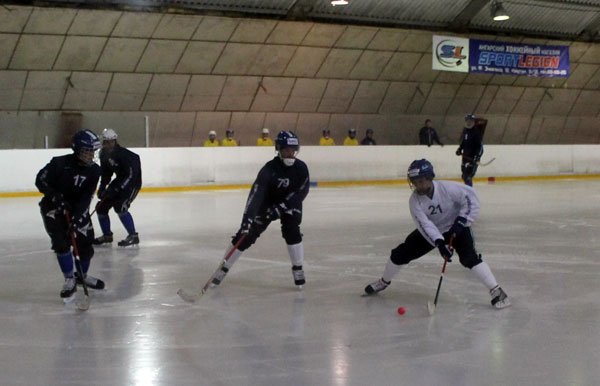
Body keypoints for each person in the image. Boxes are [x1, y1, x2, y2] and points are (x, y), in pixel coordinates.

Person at [363, 159, 510, 309]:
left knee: (469, 258)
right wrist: (439, 243)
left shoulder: (448, 188)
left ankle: (497, 291)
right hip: (434, 229)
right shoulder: (414, 201)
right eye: (415, 182)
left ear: (429, 178)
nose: (418, 186)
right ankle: (383, 282)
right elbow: (425, 225)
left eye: (421, 181)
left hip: (457, 227)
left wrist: (461, 221)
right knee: (399, 254)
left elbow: (471, 199)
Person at [211, 131, 310, 289]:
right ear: (278, 149)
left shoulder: (301, 168)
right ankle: (223, 268)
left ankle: (298, 268)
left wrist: (282, 208)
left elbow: (301, 192)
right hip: (268, 204)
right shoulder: (268, 169)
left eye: (293, 150)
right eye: (286, 150)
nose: (290, 154)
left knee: (292, 230)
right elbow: (256, 196)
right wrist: (247, 220)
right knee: (246, 235)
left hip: (290, 204)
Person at [35, 129, 105, 300]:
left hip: (77, 210)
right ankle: (69, 279)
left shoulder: (95, 171)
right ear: (77, 149)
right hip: (53, 209)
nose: (91, 155)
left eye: (93, 152)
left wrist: (78, 217)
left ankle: (81, 276)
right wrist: (54, 196)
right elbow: (40, 180)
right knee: (61, 243)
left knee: (86, 245)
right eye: (87, 151)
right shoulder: (59, 163)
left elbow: (86, 196)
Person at [93, 128, 142, 247]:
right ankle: (107, 235)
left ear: (115, 141)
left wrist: (117, 189)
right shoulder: (103, 154)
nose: (108, 145)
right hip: (119, 180)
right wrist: (103, 187)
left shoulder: (127, 156)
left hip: (133, 183)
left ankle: (133, 235)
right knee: (101, 207)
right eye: (106, 142)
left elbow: (131, 175)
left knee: (120, 207)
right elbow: (106, 173)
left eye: (111, 142)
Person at [455, 114, 483, 186]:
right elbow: (464, 142)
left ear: (473, 122)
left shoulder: (476, 132)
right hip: (465, 157)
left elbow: (480, 146)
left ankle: (469, 192)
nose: (469, 122)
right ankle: (468, 189)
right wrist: (460, 149)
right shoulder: (465, 131)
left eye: (471, 121)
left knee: (468, 176)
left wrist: (477, 156)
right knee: (464, 175)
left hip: (472, 158)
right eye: (467, 121)